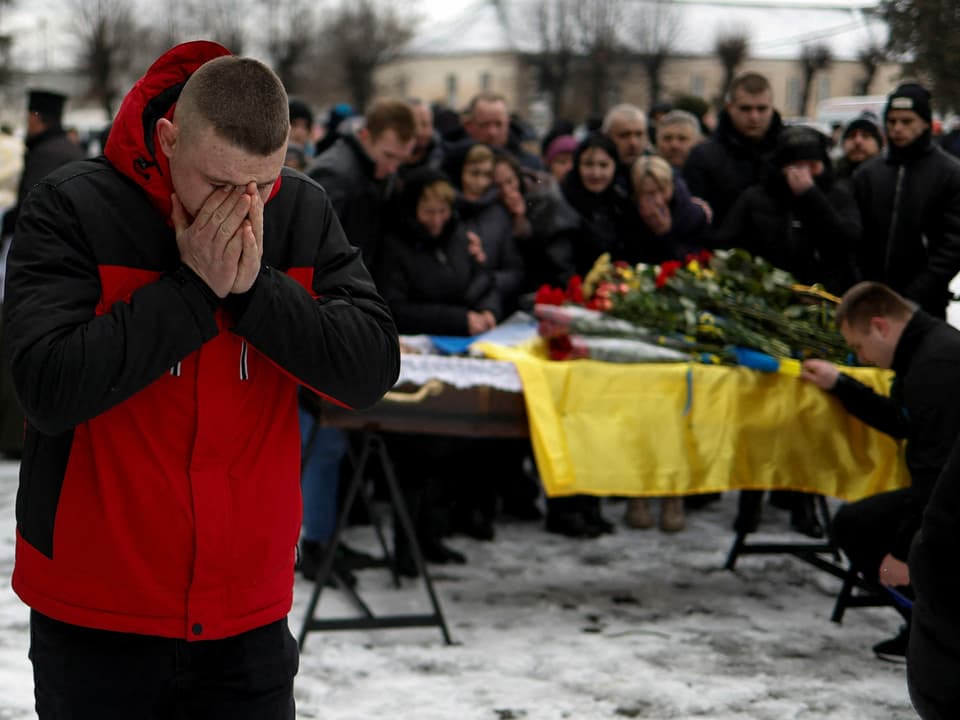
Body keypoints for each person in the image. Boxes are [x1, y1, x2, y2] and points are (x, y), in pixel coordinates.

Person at [4, 41, 400, 717]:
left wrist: (254, 296)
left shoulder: (301, 210)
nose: (244, 208)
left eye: (262, 184)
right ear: (168, 137)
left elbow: (368, 370)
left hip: (245, 617)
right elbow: (47, 388)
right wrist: (192, 291)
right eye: (219, 185)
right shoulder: (72, 207)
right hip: (99, 610)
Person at [801, 282, 960, 662]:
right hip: (945, 491)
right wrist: (841, 384)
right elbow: (903, 422)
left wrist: (905, 551)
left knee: (861, 528)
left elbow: (935, 469)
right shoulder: (923, 349)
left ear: (880, 326)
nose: (863, 358)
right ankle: (925, 628)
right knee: (856, 523)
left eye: (858, 347)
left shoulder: (935, 365)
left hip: (951, 499)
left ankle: (939, 636)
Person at [376, 167, 501, 573]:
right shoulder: (397, 246)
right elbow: (395, 306)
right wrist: (458, 319)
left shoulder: (457, 238)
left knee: (446, 457)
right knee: (413, 459)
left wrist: (486, 311)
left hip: (456, 356)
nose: (436, 219)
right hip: (414, 360)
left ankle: (432, 537)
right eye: (428, 211)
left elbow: (482, 282)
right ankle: (408, 547)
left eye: (442, 210)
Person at [622, 155, 711, 534]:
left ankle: (674, 493)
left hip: (681, 322)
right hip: (640, 322)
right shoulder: (627, 220)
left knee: (677, 409)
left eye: (659, 191)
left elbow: (695, 270)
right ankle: (638, 491)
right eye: (645, 193)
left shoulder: (692, 217)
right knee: (641, 410)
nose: (653, 201)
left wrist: (665, 235)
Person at [0, 89, 85, 459]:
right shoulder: (70, 151)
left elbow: (29, 215)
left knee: (19, 346)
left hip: (38, 268)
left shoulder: (43, 155)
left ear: (36, 117)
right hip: (70, 270)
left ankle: (14, 437)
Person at [852, 82, 960, 318]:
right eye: (891, 121)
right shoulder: (867, 174)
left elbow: (953, 245)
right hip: (870, 301)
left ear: (925, 122)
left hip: (924, 307)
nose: (898, 128)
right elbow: (854, 236)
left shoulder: (949, 174)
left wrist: (915, 295)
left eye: (907, 121)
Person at [716, 125, 860, 296]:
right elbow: (727, 245)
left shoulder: (839, 195)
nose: (805, 174)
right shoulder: (755, 197)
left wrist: (811, 196)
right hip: (769, 295)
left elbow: (846, 241)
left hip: (825, 294)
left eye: (812, 166)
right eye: (797, 166)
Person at [308, 98, 416, 276]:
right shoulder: (334, 174)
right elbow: (314, 245)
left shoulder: (380, 172)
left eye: (401, 159)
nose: (393, 168)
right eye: (388, 156)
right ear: (365, 135)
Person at [683, 72, 784, 228]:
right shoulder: (704, 156)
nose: (754, 117)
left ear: (772, 108)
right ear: (730, 108)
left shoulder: (788, 152)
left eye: (762, 109)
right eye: (746, 109)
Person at [459, 92, 542, 170]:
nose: (492, 132)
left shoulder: (531, 165)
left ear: (508, 123)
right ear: (469, 126)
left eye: (498, 124)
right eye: (485, 124)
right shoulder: (455, 163)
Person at [602, 103, 649, 190]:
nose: (633, 143)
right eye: (624, 135)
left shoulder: (659, 171)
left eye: (639, 134)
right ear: (607, 137)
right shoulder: (595, 177)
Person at [834, 111, 883, 182]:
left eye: (865, 136)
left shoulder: (890, 177)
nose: (857, 141)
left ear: (878, 144)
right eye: (851, 136)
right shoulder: (831, 176)